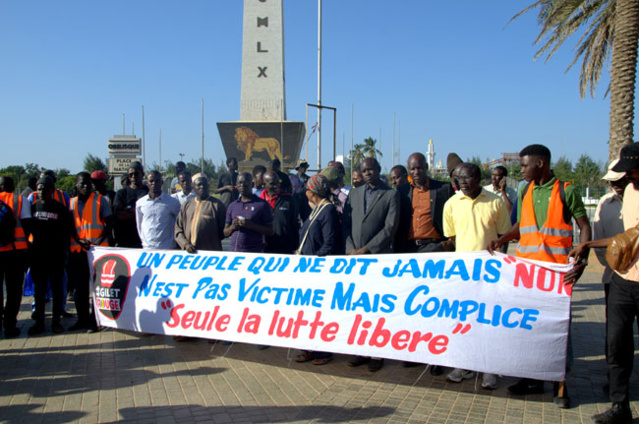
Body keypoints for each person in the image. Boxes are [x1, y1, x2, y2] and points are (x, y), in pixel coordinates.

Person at [488, 144, 591, 409]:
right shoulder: (526, 190)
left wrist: (582, 260)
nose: (520, 170)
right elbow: (521, 226)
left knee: (558, 331)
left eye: (524, 165)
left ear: (541, 163)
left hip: (557, 275)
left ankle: (561, 386)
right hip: (528, 274)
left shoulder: (566, 190)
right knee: (527, 328)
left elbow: (584, 226)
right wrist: (502, 240)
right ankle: (529, 380)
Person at [570, 143, 639, 424]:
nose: (627, 180)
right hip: (623, 279)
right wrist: (587, 244)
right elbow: (627, 238)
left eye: (631, 173)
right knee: (617, 343)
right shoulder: (632, 194)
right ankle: (620, 405)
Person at [443, 163, 511, 389]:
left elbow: (504, 237)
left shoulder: (495, 202)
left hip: (489, 275)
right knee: (464, 321)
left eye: (467, 177)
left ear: (479, 178)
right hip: (462, 275)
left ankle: (489, 369)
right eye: (459, 178)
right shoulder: (451, 204)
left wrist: (499, 269)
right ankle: (463, 365)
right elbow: (451, 239)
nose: (462, 181)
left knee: (488, 322)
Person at [343, 157, 400, 372]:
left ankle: (378, 353)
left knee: (377, 308)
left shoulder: (390, 194)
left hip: (378, 258)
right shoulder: (354, 194)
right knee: (359, 307)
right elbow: (346, 225)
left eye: (371, 169)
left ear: (378, 170)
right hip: (354, 259)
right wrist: (350, 248)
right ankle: (361, 350)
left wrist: (367, 249)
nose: (368, 173)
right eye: (364, 170)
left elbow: (390, 227)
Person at [28, 176, 87, 336]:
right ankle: (39, 323)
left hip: (56, 256)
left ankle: (56, 322)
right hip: (38, 257)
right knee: (39, 292)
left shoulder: (60, 209)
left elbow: (70, 232)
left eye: (45, 189)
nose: (41, 192)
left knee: (56, 290)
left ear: (52, 191)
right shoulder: (32, 209)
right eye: (39, 189)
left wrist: (80, 242)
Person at [295, 174, 340, 366]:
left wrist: (315, 261)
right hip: (307, 270)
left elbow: (329, 242)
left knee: (319, 313)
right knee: (306, 313)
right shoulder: (316, 210)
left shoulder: (327, 211)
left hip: (318, 272)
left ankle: (323, 351)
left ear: (311, 192)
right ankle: (309, 349)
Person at [67, 172, 112, 332]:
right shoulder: (71, 203)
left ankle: (96, 320)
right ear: (76, 185)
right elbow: (70, 226)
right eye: (81, 183)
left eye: (87, 183)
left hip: (97, 251)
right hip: (78, 250)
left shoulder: (101, 201)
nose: (85, 186)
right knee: (80, 289)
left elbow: (109, 224)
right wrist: (79, 241)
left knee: (97, 288)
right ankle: (82, 320)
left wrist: (97, 242)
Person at [406, 153, 455, 253]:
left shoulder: (443, 188)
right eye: (413, 169)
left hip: (436, 247)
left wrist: (451, 241)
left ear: (426, 167)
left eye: (419, 168)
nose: (416, 172)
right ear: (408, 170)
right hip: (410, 249)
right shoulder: (403, 192)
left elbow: (455, 215)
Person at [0, 176, 31, 338]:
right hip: (16, 252)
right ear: (13, 186)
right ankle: (10, 326)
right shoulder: (20, 201)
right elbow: (27, 227)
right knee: (13, 291)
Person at [175, 173, 226, 253]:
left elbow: (223, 232)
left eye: (204, 184)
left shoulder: (217, 205)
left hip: (210, 253)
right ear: (193, 187)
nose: (202, 187)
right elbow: (178, 229)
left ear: (208, 185)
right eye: (199, 185)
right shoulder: (186, 206)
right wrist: (185, 244)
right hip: (188, 254)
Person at [223, 172, 274, 253]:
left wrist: (251, 225)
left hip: (254, 253)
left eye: (245, 182)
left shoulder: (262, 205)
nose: (242, 185)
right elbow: (225, 233)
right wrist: (232, 227)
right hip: (234, 253)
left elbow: (270, 231)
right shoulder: (232, 205)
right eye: (240, 183)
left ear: (252, 184)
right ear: (236, 185)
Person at [136, 171, 181, 250]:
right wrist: (144, 241)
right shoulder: (140, 203)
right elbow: (140, 224)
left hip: (167, 247)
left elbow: (180, 223)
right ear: (147, 183)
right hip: (147, 247)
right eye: (151, 181)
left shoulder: (172, 202)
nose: (154, 183)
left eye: (157, 181)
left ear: (162, 182)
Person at [261, 171, 300, 254]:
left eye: (278, 182)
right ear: (264, 184)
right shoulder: (259, 202)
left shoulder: (289, 200)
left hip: (285, 248)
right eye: (272, 184)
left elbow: (295, 224)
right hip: (264, 248)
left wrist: (296, 245)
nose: (276, 186)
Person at [113, 162, 148, 248]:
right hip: (124, 239)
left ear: (142, 174)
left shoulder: (148, 192)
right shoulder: (122, 193)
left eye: (136, 174)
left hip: (144, 240)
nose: (133, 177)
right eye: (130, 175)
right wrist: (137, 212)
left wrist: (129, 209)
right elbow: (118, 214)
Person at [389, 165, 411, 254]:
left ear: (405, 176)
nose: (394, 182)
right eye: (391, 179)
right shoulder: (392, 195)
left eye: (397, 178)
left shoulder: (412, 194)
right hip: (398, 243)